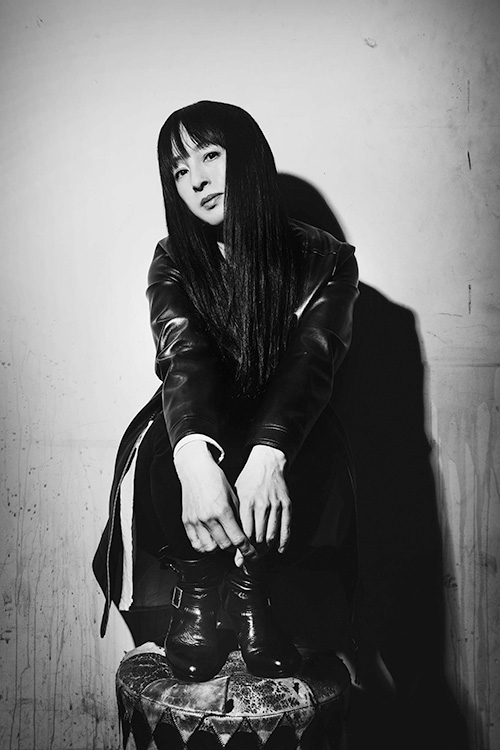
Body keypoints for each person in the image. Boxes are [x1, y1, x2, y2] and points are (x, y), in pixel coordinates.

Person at [93, 100, 359, 683]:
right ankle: (197, 587)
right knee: (168, 444)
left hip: (287, 430)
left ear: (248, 159)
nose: (196, 180)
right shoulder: (172, 258)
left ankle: (248, 590)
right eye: (179, 170)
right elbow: (182, 356)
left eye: (210, 156)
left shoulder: (328, 260)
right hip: (199, 419)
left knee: (308, 448)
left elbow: (312, 361)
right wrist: (193, 457)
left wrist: (269, 454)